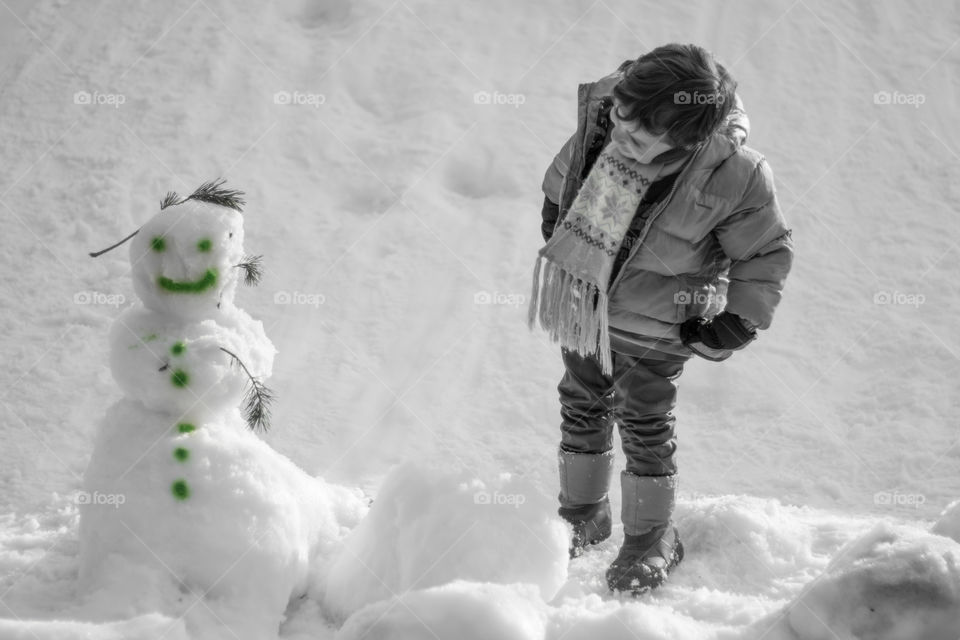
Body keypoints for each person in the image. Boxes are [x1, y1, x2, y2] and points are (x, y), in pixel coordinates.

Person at [528, 43, 794, 595]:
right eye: (622, 116)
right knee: (580, 402)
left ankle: (652, 535)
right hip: (588, 309)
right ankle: (583, 512)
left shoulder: (734, 174)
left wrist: (739, 320)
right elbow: (566, 173)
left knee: (644, 424)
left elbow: (764, 252)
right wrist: (557, 215)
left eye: (643, 134)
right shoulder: (606, 128)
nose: (623, 135)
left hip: (657, 327)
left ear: (689, 136)